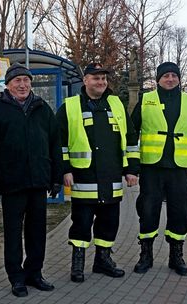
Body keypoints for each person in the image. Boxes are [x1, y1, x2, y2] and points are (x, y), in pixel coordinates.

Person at [0, 63, 63, 298]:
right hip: (11, 184)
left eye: (26, 80)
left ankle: (34, 273)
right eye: (17, 81)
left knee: (38, 233)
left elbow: (55, 144)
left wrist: (56, 177)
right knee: (13, 234)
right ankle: (16, 278)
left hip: (38, 183)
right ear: (7, 85)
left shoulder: (42, 109)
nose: (23, 85)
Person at [56, 63, 140, 283]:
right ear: (85, 81)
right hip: (83, 178)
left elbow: (130, 139)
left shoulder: (116, 104)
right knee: (81, 223)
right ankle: (78, 264)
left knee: (109, 222)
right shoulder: (70, 106)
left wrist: (132, 169)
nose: (101, 82)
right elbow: (59, 143)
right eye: (96, 78)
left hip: (111, 177)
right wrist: (65, 169)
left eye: (104, 78)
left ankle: (103, 261)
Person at [131, 61, 187, 276]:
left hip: (179, 169)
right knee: (148, 211)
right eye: (165, 75)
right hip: (152, 167)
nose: (170, 79)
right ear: (158, 79)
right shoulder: (146, 100)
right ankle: (145, 255)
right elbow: (131, 132)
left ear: (179, 79)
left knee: (179, 212)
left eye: (174, 75)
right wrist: (131, 164)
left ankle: (176, 256)